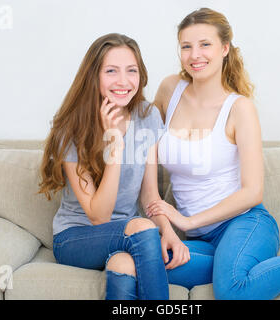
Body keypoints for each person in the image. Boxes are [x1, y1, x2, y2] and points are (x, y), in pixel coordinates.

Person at [146, 8, 280, 300]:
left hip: (246, 224)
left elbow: (252, 193)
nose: (194, 54)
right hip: (201, 240)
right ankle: (233, 265)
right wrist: (169, 229)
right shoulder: (169, 90)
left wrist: (187, 222)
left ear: (225, 48)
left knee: (233, 291)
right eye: (186, 46)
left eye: (205, 44)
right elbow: (144, 160)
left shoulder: (239, 109)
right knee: (141, 265)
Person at [38, 33, 186, 300]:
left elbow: (150, 194)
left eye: (132, 71)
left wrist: (167, 232)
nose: (123, 81)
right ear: (93, 76)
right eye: (111, 71)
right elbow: (99, 217)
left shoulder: (147, 115)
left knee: (123, 265)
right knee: (141, 228)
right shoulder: (72, 128)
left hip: (132, 237)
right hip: (77, 237)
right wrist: (114, 146)